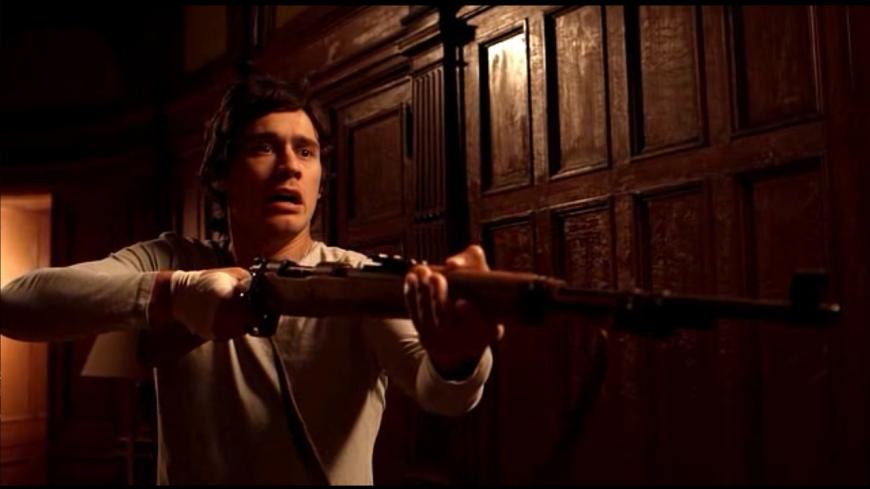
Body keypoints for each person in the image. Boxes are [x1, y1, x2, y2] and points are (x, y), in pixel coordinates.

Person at [0, 74, 504, 485]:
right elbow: (17, 303)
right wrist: (174, 293)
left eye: (306, 152)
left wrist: (458, 358)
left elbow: (443, 396)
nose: (289, 167)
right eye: (264, 148)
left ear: (320, 183)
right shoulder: (173, 257)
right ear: (222, 174)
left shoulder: (358, 278)